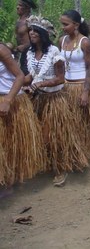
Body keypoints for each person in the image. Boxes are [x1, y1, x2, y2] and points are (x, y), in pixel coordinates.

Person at [24, 15, 88, 186]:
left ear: (43, 34)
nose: (31, 33)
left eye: (35, 30)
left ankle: (61, 169)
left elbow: (60, 78)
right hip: (38, 100)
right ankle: (47, 164)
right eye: (30, 30)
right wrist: (21, 84)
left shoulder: (54, 52)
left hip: (54, 100)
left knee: (54, 136)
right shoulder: (30, 53)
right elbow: (32, 75)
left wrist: (40, 84)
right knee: (40, 135)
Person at [0, 42, 45, 186]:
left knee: (13, 142)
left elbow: (20, 76)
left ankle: (13, 178)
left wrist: (7, 101)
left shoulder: (1, 50)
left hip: (12, 99)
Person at [59, 10, 90, 157]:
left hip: (81, 85)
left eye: (66, 24)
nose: (63, 27)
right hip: (66, 86)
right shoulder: (62, 41)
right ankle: (74, 152)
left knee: (83, 121)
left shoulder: (84, 42)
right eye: (62, 24)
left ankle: (86, 151)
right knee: (70, 122)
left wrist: (85, 91)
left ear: (76, 25)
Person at [15, 0, 37, 75]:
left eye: (20, 6)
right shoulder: (19, 21)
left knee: (26, 74)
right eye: (17, 5)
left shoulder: (31, 21)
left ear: (27, 8)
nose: (17, 7)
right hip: (21, 54)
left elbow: (37, 38)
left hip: (30, 54)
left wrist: (25, 46)